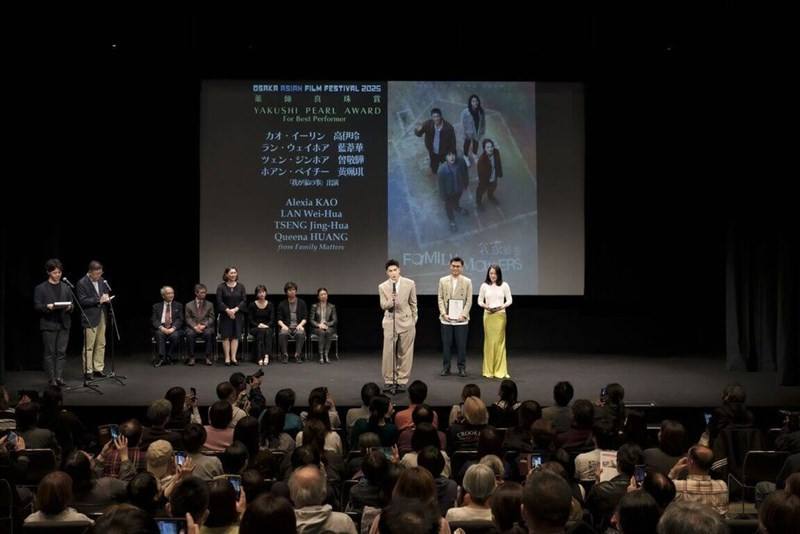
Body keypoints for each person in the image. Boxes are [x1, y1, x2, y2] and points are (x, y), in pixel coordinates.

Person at [33, 258, 73, 386]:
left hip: (64, 323)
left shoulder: (66, 287)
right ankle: (52, 379)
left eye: (59, 272)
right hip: (49, 323)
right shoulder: (40, 288)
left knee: (61, 352)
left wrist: (70, 307)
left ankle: (59, 377)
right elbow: (37, 306)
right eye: (55, 272)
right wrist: (47, 306)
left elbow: (72, 304)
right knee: (50, 353)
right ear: (48, 272)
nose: (58, 275)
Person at [379, 259, 418, 389]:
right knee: (388, 352)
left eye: (395, 270)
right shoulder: (383, 286)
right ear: (387, 273)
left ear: (399, 270)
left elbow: (413, 303)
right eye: (390, 271)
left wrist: (413, 320)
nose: (393, 273)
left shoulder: (410, 283)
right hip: (390, 321)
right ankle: (389, 379)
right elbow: (383, 305)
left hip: (406, 322)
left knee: (405, 353)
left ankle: (402, 380)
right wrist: (392, 300)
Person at [76, 260, 111, 380]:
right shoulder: (82, 283)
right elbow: (82, 301)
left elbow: (104, 293)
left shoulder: (102, 280)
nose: (99, 276)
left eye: (100, 273)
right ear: (90, 272)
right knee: (89, 346)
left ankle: (98, 368)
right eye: (96, 274)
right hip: (89, 317)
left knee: (101, 343)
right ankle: (88, 370)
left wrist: (106, 298)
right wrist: (98, 300)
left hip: (101, 315)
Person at [438, 256, 473, 377]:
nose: (455, 268)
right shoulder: (443, 280)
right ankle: (446, 367)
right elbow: (440, 298)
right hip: (446, 319)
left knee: (461, 345)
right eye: (453, 266)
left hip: (461, 320)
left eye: (458, 266)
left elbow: (469, 300)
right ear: (450, 266)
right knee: (446, 345)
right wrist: (443, 313)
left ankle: (461, 368)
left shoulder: (467, 281)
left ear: (462, 267)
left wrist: (463, 315)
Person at [478, 264, 513, 379]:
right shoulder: (484, 286)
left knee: (499, 343)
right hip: (488, 316)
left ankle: (501, 370)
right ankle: (488, 371)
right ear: (488, 274)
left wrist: (501, 306)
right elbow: (479, 301)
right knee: (489, 343)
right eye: (491, 273)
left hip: (500, 315)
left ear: (499, 274)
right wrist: (486, 306)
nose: (493, 275)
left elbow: (509, 300)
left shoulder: (504, 285)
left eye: (495, 273)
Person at [216, 266, 247, 366]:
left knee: (235, 336)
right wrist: (228, 310)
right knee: (225, 336)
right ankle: (227, 358)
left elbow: (244, 301)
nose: (233, 275)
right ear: (226, 274)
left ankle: (233, 357)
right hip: (225, 315)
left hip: (237, 315)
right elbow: (219, 301)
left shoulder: (241, 286)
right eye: (231, 273)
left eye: (235, 273)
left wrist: (234, 310)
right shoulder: (221, 287)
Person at [414, 107, 457, 175]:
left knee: (446, 167)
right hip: (433, 151)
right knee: (434, 167)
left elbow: (453, 142)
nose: (436, 119)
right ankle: (435, 172)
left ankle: (445, 175)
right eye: (434, 117)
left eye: (437, 116)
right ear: (432, 117)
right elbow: (419, 134)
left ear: (441, 116)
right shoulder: (428, 124)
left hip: (444, 152)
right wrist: (417, 130)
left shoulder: (449, 128)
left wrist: (452, 154)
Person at [437, 150, 470, 231]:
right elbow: (441, 185)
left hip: (459, 189)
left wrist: (465, 183)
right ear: (445, 157)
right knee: (448, 207)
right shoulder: (442, 170)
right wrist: (443, 196)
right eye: (449, 155)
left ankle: (457, 207)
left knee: (456, 200)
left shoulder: (461, 162)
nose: (452, 157)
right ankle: (451, 220)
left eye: (453, 154)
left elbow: (465, 172)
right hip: (449, 193)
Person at [151, 286, 183, 368]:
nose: (171, 295)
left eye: (172, 293)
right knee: (159, 334)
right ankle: (162, 358)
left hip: (173, 328)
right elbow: (154, 320)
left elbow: (180, 319)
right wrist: (162, 328)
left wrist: (173, 328)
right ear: (163, 296)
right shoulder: (156, 306)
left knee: (176, 336)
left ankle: (169, 356)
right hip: (161, 328)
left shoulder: (178, 305)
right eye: (168, 293)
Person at [184, 283, 215, 366]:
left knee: (208, 333)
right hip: (193, 327)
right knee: (189, 334)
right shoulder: (188, 305)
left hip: (205, 327)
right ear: (196, 293)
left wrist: (204, 325)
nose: (203, 294)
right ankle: (191, 357)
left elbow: (211, 317)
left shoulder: (210, 304)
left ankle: (208, 357)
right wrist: (195, 327)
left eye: (204, 292)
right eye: (201, 292)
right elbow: (188, 318)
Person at [277, 281, 308, 364]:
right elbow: (279, 319)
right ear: (286, 292)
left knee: (301, 333)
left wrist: (300, 325)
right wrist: (283, 326)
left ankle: (298, 355)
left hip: (298, 326)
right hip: (287, 327)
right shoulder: (282, 304)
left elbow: (305, 317)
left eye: (294, 290)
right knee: (282, 333)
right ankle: (285, 355)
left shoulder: (301, 303)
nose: (292, 291)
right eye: (290, 290)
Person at [310, 287, 338, 364]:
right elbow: (311, 320)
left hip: (329, 327)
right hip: (317, 328)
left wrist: (327, 324)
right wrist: (319, 325)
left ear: (327, 295)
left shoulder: (332, 306)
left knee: (328, 332)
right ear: (318, 297)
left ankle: (326, 354)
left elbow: (335, 320)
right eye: (321, 294)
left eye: (325, 294)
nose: (323, 296)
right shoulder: (314, 306)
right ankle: (321, 355)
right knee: (322, 332)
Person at [248, 284, 274, 366]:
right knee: (261, 331)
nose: (261, 294)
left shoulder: (270, 304)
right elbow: (250, 320)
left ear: (266, 293)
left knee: (266, 332)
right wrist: (258, 325)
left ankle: (266, 356)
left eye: (263, 292)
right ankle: (259, 357)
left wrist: (266, 325)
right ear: (256, 294)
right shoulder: (252, 305)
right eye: (259, 292)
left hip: (267, 327)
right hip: (255, 327)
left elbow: (272, 319)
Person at [475, 138, 503, 210]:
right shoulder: (481, 160)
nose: (490, 149)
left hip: (494, 177)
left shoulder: (496, 152)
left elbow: (498, 163)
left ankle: (490, 196)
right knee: (481, 191)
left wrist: (499, 173)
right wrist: (483, 182)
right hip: (485, 180)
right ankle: (478, 203)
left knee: (493, 187)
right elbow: (481, 174)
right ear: (484, 149)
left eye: (491, 146)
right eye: (488, 147)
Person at [461, 94, 486, 161]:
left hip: (477, 130)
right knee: (467, 143)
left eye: (476, 101)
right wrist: (464, 133)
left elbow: (483, 122)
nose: (475, 103)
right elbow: (462, 123)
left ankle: (474, 154)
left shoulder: (481, 111)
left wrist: (482, 131)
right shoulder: (465, 112)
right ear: (470, 102)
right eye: (473, 101)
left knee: (476, 143)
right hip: (468, 132)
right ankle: (465, 156)